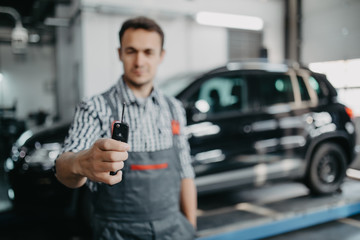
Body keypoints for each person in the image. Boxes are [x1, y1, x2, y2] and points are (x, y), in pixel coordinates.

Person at [55, 16, 197, 240]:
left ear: (161, 56)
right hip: (117, 234)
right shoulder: (94, 107)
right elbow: (63, 167)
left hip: (173, 231)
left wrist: (190, 228)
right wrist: (80, 163)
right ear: (120, 53)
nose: (139, 61)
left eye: (148, 52)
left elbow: (185, 173)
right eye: (131, 51)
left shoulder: (174, 109)